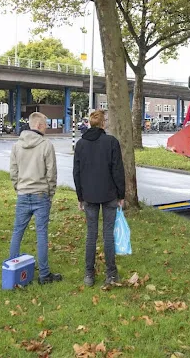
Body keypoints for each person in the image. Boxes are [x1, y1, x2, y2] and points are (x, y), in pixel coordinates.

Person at [73, 110, 125, 287]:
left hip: (89, 195)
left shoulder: (80, 144)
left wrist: (80, 196)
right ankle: (111, 274)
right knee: (108, 234)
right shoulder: (111, 142)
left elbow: (77, 173)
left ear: (89, 123)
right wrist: (121, 194)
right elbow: (117, 170)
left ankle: (89, 274)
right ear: (103, 124)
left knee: (91, 235)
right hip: (109, 194)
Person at [9, 112, 62, 284]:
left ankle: (12, 267)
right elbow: (51, 172)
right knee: (41, 234)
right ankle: (44, 274)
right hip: (41, 194)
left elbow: (13, 171)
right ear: (39, 125)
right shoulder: (46, 145)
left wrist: (18, 187)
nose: (46, 127)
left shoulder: (17, 145)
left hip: (23, 193)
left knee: (18, 231)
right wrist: (50, 192)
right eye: (45, 124)